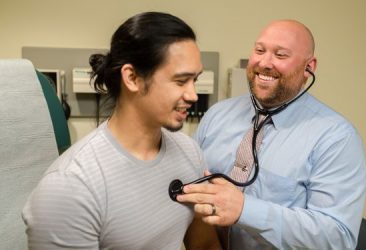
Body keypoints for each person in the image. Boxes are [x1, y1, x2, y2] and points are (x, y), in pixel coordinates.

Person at [22, 12, 221, 250]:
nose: (193, 95)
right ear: (132, 77)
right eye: (181, 81)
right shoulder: (69, 189)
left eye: (195, 80)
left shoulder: (189, 152)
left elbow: (205, 245)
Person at [177, 19, 366, 249]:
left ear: (310, 67)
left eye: (281, 55)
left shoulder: (337, 137)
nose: (265, 62)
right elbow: (185, 184)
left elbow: (338, 237)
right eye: (259, 50)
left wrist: (245, 210)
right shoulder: (217, 116)